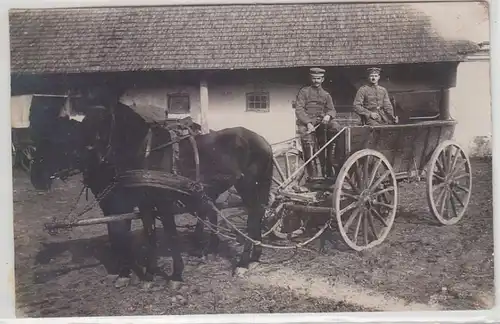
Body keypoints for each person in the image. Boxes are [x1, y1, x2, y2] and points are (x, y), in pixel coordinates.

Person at [294, 67, 343, 179]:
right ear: (311, 79)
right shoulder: (304, 92)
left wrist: (328, 115)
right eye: (314, 78)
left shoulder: (326, 95)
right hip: (306, 123)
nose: (316, 81)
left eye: (319, 78)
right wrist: (308, 123)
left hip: (321, 123)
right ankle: (313, 176)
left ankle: (332, 163)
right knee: (308, 145)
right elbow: (299, 110)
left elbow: (332, 109)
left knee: (335, 128)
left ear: (323, 79)